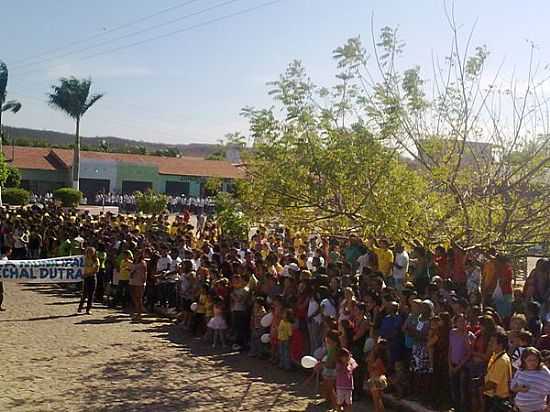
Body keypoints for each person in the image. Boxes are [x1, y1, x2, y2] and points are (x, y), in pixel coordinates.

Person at [511, 347, 550, 412]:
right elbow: (512, 387)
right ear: (524, 360)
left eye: (535, 360)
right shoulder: (521, 370)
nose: (532, 362)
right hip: (518, 409)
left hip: (537, 409)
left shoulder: (544, 372)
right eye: (529, 360)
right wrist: (519, 388)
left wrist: (548, 408)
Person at [483, 328, 512, 412]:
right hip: (491, 396)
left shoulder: (502, 360)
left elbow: (493, 384)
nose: (489, 343)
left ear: (500, 345)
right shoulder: (495, 355)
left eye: (492, 342)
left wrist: (479, 389)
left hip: (497, 399)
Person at [335, 348, 358, 412]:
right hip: (340, 386)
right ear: (340, 357)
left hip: (349, 386)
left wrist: (350, 362)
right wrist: (345, 365)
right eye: (345, 356)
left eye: (348, 356)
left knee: (349, 402)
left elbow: (355, 365)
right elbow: (339, 371)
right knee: (339, 402)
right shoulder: (339, 364)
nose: (347, 358)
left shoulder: (350, 363)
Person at [78, 247, 99, 315]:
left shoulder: (96, 260)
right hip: (86, 278)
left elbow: (96, 270)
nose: (90, 253)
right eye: (88, 252)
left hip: (92, 278)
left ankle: (88, 309)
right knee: (84, 293)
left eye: (91, 252)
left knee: (91, 294)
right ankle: (80, 307)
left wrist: (88, 274)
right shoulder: (84, 259)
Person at [129, 250, 148, 321]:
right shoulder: (134, 262)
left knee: (139, 297)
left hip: (139, 281)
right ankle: (137, 309)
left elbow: (145, 272)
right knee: (133, 296)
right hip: (132, 280)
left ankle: (139, 313)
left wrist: (144, 279)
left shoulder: (142, 263)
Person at [0, 245, 12, 311]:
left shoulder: (4, 257)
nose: (11, 251)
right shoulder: (4, 258)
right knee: (1, 292)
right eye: (10, 250)